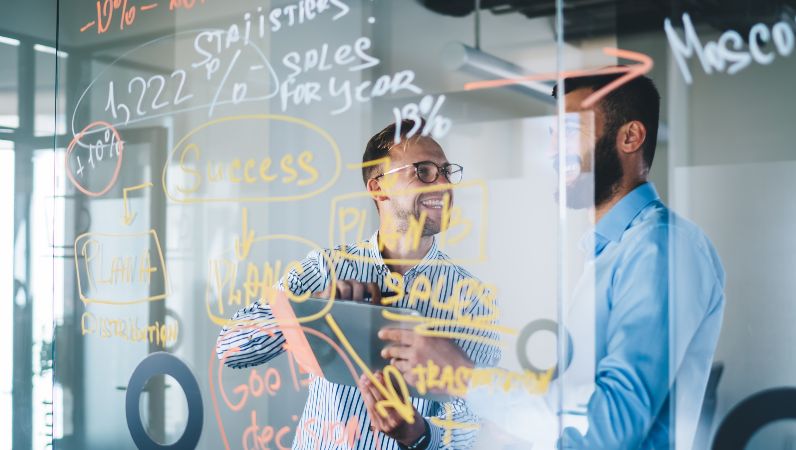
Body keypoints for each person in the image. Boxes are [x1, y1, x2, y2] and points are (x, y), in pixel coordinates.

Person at [380, 72, 726, 449]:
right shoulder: (611, 252)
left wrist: (463, 376)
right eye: (551, 134)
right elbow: (571, 412)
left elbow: (612, 429)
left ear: (630, 137)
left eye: (569, 130)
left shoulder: (661, 247)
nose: (551, 152)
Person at [216, 119, 500, 450]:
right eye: (423, 171)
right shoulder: (325, 268)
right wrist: (308, 313)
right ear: (377, 188)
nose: (442, 184)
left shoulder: (472, 300)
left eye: (446, 171)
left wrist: (419, 433)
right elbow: (230, 348)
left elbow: (476, 422)